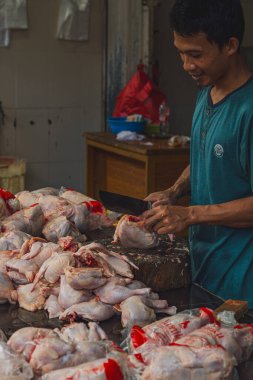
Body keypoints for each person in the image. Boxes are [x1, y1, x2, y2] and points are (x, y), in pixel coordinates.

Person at [142, 0, 253, 308]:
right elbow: (206, 157)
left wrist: (191, 214)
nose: (186, 65)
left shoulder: (249, 110)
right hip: (205, 270)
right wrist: (174, 191)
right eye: (180, 52)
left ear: (230, 45)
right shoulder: (207, 91)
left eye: (196, 54)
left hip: (242, 287)